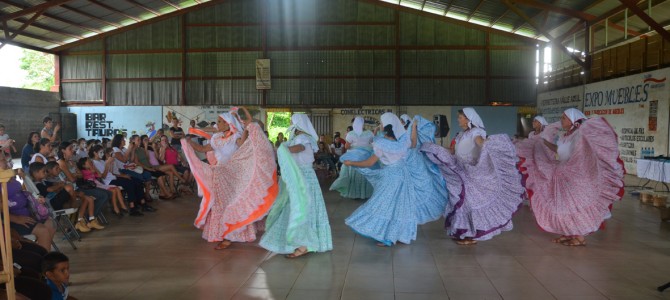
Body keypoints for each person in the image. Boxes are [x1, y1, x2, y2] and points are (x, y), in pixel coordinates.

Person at [516, 108, 625, 246]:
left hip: (577, 177)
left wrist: (587, 128)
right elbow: (560, 151)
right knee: (563, 205)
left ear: (572, 120)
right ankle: (568, 232)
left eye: (564, 118)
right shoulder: (566, 135)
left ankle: (579, 237)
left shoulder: (580, 134)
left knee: (576, 206)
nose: (561, 120)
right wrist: (543, 144)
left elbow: (582, 152)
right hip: (563, 174)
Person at [420, 108, 525, 245]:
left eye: (460, 117)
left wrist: (493, 143)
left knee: (470, 203)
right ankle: (463, 232)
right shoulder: (460, 135)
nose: (458, 119)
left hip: (473, 174)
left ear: (468, 119)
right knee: (462, 203)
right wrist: (435, 148)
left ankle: (471, 235)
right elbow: (452, 151)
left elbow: (481, 143)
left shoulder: (476, 133)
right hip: (461, 171)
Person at [182, 107, 278, 250]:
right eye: (218, 121)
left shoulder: (235, 137)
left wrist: (246, 128)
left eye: (220, 121)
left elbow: (242, 144)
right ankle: (224, 234)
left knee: (233, 202)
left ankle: (231, 235)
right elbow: (202, 149)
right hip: (220, 174)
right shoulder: (216, 139)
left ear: (228, 124)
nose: (217, 124)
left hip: (235, 174)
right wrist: (188, 143)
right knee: (220, 203)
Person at [344, 113, 447, 246]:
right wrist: (414, 126)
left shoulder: (380, 144)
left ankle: (386, 235)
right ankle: (395, 235)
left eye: (381, 123)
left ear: (386, 127)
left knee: (383, 204)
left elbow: (369, 162)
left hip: (391, 177)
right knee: (400, 206)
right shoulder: (403, 141)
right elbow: (414, 143)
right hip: (404, 176)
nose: (380, 125)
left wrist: (352, 163)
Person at [260, 114, 333, 258]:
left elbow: (299, 148)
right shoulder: (297, 137)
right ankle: (299, 242)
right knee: (296, 206)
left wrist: (283, 149)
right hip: (298, 176)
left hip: (304, 177)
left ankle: (304, 244)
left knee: (302, 207)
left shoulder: (304, 138)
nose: (290, 123)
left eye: (292, 121)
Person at [0, 153, 56, 251]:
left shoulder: (7, 175)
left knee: (50, 224)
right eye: (3, 160)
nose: (7, 162)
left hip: (27, 212)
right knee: (43, 231)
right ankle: (42, 259)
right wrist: (16, 218)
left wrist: (35, 200)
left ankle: (41, 256)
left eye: (6, 159)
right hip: (11, 220)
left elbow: (21, 191)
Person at [329, 116, 374, 199]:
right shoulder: (369, 133)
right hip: (365, 157)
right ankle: (365, 193)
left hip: (354, 157)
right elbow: (372, 142)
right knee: (364, 174)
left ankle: (355, 193)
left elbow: (346, 146)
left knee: (354, 174)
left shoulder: (351, 134)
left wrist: (355, 145)